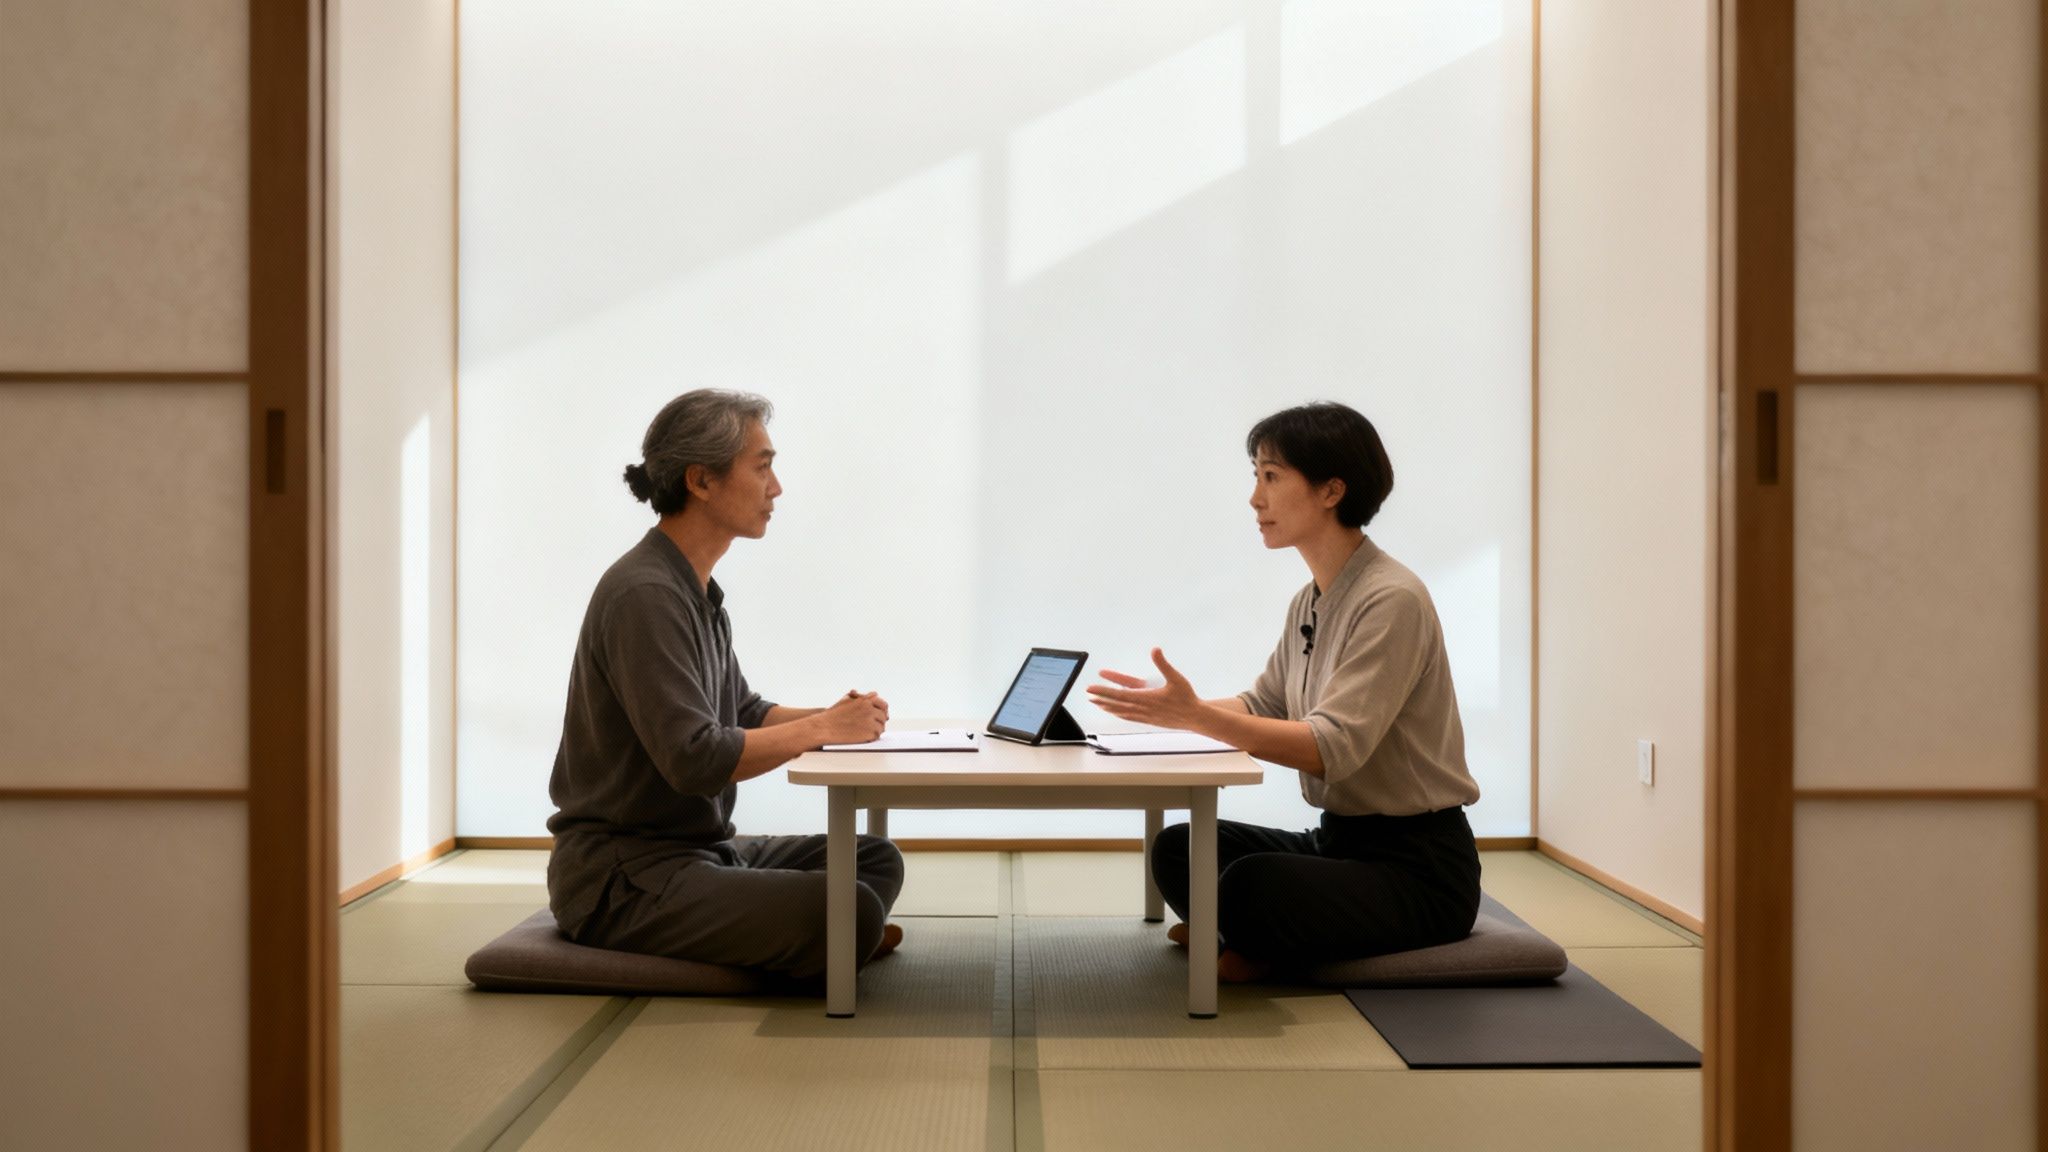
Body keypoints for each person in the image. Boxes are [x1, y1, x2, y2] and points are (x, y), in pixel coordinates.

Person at [1085, 401, 1482, 982]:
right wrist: (1166, 712)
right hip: (1339, 842)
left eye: (1271, 477)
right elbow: (1261, 707)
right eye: (1256, 477)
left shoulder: (1392, 599)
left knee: (1252, 883)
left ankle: (1248, 935)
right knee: (1178, 848)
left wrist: (1196, 716)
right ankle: (1251, 935)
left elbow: (1328, 748)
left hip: (1418, 867)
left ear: (1331, 490)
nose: (1255, 498)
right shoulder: (1311, 598)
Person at [544, 388, 906, 984]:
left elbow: (744, 710)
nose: (777, 488)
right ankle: (823, 938)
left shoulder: (694, 588)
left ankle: (809, 939)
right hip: (624, 877)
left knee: (874, 858)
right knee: (851, 907)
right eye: (762, 467)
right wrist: (821, 730)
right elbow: (695, 759)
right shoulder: (646, 595)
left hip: (700, 851)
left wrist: (838, 715)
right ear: (701, 481)